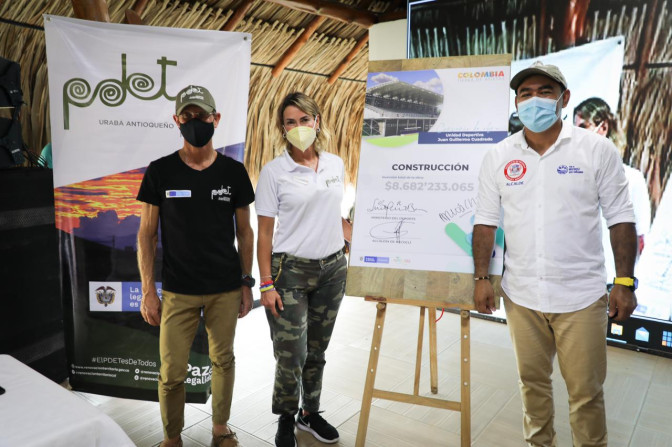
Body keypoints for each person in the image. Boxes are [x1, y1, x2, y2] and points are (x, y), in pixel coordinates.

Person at [472, 62, 638, 447]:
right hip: (521, 296)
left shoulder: (596, 150)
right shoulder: (498, 156)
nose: (534, 100)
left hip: (581, 297)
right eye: (525, 93)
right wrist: (481, 278)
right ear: (516, 102)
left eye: (544, 92)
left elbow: (620, 218)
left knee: (586, 395)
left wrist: (624, 282)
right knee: (532, 386)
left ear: (564, 99)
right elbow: (485, 222)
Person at [136, 85, 255, 447]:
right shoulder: (160, 171)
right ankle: (172, 438)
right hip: (178, 291)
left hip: (225, 288)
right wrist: (147, 291)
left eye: (201, 116)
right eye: (187, 116)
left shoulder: (233, 172)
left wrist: (246, 282)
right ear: (177, 120)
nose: (194, 122)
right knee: (172, 371)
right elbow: (146, 235)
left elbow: (245, 232)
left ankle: (220, 428)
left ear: (215, 119)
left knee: (223, 360)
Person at [255, 92, 349, 447]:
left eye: (304, 120)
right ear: (283, 128)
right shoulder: (274, 172)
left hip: (333, 269)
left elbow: (334, 216)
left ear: (317, 122)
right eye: (290, 122)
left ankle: (310, 413)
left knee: (317, 350)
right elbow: (265, 234)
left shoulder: (335, 164)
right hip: (290, 272)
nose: (298, 127)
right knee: (291, 353)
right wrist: (266, 284)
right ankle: (285, 416)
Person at [573, 97, 651, 280]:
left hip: (613, 283)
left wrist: (625, 284)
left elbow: (641, 240)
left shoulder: (631, 179)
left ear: (603, 128)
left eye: (583, 127)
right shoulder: (572, 178)